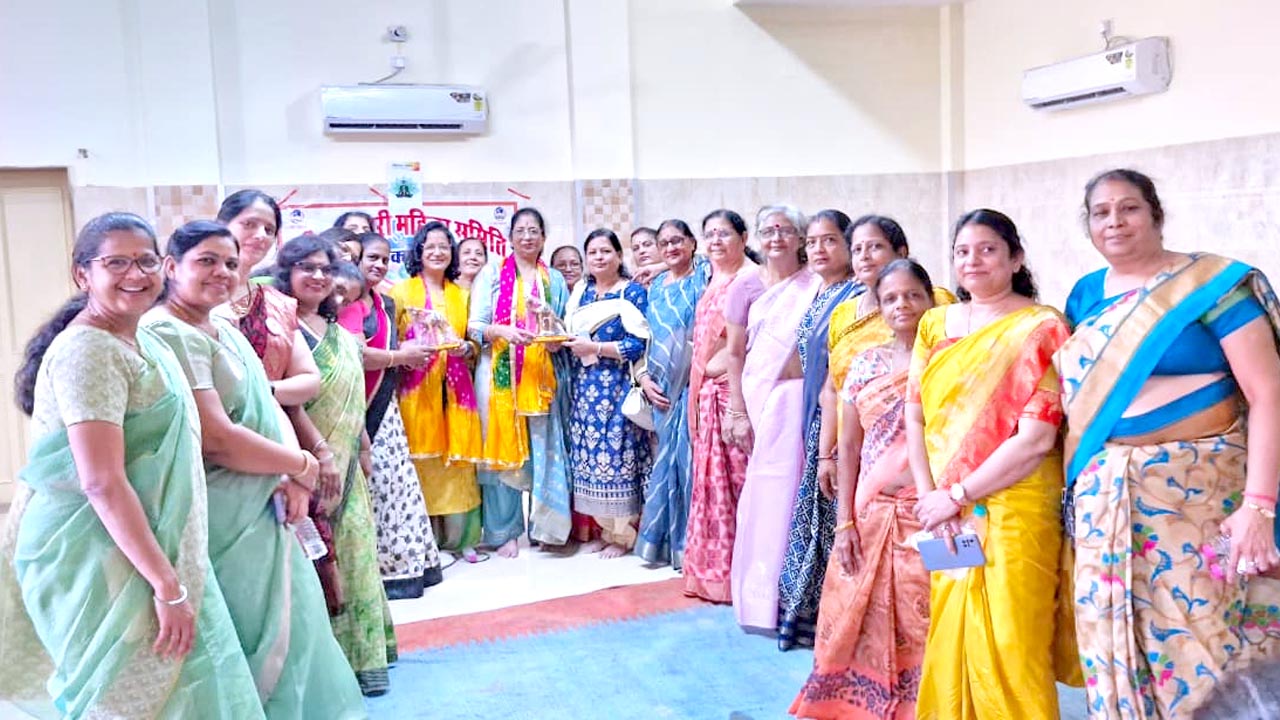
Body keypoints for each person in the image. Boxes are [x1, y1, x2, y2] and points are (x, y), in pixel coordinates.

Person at [0, 213, 265, 718]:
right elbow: (101, 482)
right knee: (123, 698)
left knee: (182, 686)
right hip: (98, 553)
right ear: (83, 274)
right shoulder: (90, 351)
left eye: (145, 261)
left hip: (144, 547)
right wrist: (166, 586)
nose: (135, 275)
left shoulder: (140, 337)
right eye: (116, 263)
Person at [1059, 169, 1280, 717]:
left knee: (1209, 634)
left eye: (1129, 208)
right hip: (1107, 503)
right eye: (1101, 212)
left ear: (1156, 214)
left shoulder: (1212, 284)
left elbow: (1268, 393)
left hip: (1205, 499)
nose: (1115, 221)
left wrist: (1258, 507)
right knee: (1115, 637)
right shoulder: (1084, 295)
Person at [143, 220, 367, 715]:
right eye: (206, 261)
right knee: (247, 630)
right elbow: (218, 438)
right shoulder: (168, 331)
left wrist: (293, 475)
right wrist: (301, 463)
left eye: (229, 262)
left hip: (266, 496)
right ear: (171, 267)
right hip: (221, 505)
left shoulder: (222, 327)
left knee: (292, 623)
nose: (222, 272)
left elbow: (267, 407)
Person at [907, 209, 1079, 718]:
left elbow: (1036, 439)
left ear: (1016, 259)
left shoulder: (1041, 327)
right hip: (944, 509)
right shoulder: (934, 323)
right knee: (951, 633)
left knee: (1011, 639)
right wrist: (931, 498)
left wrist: (957, 495)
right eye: (962, 251)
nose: (973, 260)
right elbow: (914, 415)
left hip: (1016, 502)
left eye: (987, 249)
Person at [790, 259, 937, 720]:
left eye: (912, 295)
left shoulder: (948, 361)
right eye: (890, 298)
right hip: (870, 510)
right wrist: (844, 524)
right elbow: (851, 446)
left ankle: (928, 706)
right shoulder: (865, 364)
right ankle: (851, 703)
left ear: (932, 300)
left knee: (929, 617)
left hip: (928, 512)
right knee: (852, 612)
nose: (902, 305)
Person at [275, 235, 397, 696]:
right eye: (306, 267)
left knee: (358, 558)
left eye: (325, 269)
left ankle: (365, 661)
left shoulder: (341, 335)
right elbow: (284, 404)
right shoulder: (280, 333)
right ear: (285, 273)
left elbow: (352, 397)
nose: (318, 276)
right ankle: (327, 673)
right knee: (316, 567)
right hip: (306, 469)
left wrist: (363, 448)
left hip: (348, 469)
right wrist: (318, 457)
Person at [338, 231, 445, 597]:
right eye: (372, 257)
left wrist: (408, 355)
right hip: (359, 407)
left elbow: (389, 351)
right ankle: (384, 573)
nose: (379, 265)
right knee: (380, 487)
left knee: (398, 487)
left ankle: (410, 568)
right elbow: (356, 355)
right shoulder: (349, 303)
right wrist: (401, 357)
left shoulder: (384, 302)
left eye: (385, 259)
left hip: (387, 403)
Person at [728, 204, 819, 631]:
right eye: (769, 231)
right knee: (766, 493)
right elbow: (734, 353)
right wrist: (737, 410)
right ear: (758, 239)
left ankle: (797, 596)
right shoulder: (746, 285)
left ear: (800, 238)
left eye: (785, 230)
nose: (777, 238)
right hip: (761, 396)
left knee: (798, 494)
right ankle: (760, 599)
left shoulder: (815, 284)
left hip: (804, 400)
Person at [468, 207, 574, 558]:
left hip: (541, 376)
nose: (527, 237)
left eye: (534, 231)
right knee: (503, 453)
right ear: (510, 237)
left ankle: (547, 528)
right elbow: (474, 327)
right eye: (521, 231)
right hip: (497, 376)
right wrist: (502, 331)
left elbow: (561, 333)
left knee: (545, 451)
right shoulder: (491, 273)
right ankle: (504, 532)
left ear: (543, 238)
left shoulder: (553, 279)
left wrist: (549, 325)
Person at [387, 223, 485, 562]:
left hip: (457, 391)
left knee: (459, 463)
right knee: (423, 463)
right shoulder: (400, 292)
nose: (438, 252)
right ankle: (427, 542)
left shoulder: (462, 295)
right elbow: (390, 343)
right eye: (430, 246)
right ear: (418, 251)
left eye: (444, 246)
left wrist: (466, 349)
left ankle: (462, 539)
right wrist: (408, 347)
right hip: (417, 391)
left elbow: (475, 343)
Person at [683, 209, 760, 602]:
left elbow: (748, 344)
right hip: (707, 393)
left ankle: (744, 576)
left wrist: (736, 404)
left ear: (744, 238)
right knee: (712, 485)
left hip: (735, 394)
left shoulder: (752, 280)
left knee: (740, 484)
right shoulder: (712, 277)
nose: (716, 241)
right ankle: (713, 573)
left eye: (724, 233)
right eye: (709, 234)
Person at [563, 229, 652, 558]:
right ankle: (604, 529)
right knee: (591, 458)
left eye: (605, 251)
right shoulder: (582, 294)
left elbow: (639, 343)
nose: (599, 257)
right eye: (593, 252)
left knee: (618, 457)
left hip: (617, 388)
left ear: (618, 256)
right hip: (585, 389)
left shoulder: (631, 292)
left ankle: (624, 535)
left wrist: (596, 348)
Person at [635, 220, 712, 568]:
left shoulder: (702, 277)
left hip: (693, 386)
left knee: (689, 465)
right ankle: (666, 545)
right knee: (666, 464)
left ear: (692, 243)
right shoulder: (654, 288)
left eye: (678, 241)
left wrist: (659, 265)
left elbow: (713, 257)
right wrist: (643, 378)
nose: (671, 248)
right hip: (660, 389)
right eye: (664, 243)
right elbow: (646, 338)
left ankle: (690, 546)